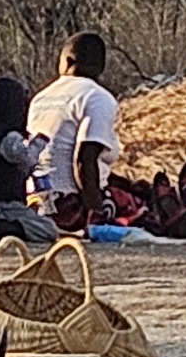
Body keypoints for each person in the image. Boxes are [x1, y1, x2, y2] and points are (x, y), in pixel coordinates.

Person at [28, 31, 120, 231]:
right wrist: (95, 214)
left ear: (67, 62)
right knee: (140, 201)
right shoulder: (98, 97)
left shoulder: (40, 98)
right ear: (101, 67)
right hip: (68, 207)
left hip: (35, 203)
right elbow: (84, 159)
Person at [0, 75, 56, 243]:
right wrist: (39, 142)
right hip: (7, 205)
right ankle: (2, 227)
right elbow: (28, 158)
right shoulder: (9, 138)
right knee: (48, 229)